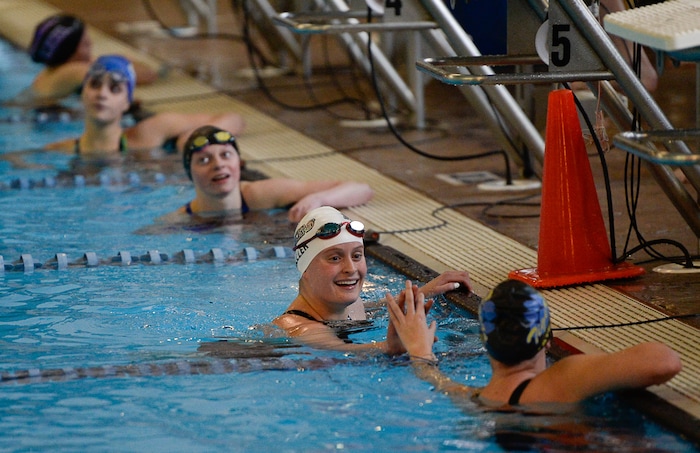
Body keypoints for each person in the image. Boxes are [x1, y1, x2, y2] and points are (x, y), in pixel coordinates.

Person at [386, 278, 682, 408]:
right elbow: (664, 362)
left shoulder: (479, 400)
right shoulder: (561, 380)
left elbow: (439, 382)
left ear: (485, 343)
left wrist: (420, 353)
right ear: (549, 339)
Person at [273, 206, 473, 352]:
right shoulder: (300, 329)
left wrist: (422, 292)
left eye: (357, 255)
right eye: (335, 258)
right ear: (305, 269)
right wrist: (391, 348)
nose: (351, 269)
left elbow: (371, 308)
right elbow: (343, 351)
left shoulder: (343, 303)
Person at [43, 55, 244, 160]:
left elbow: (234, 119)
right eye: (94, 84)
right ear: (82, 94)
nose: (102, 94)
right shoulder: (59, 150)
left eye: (114, 88)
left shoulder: (149, 133)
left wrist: (192, 140)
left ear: (127, 102)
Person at [163, 125, 375, 223]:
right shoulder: (179, 221)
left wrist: (318, 198)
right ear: (188, 173)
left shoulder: (260, 194)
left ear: (240, 162)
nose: (218, 165)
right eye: (204, 160)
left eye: (226, 155)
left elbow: (362, 189)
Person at [11, 14, 159, 106]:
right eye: (86, 43)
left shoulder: (56, 70)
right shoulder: (74, 71)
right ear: (71, 51)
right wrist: (123, 59)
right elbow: (146, 75)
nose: (91, 45)